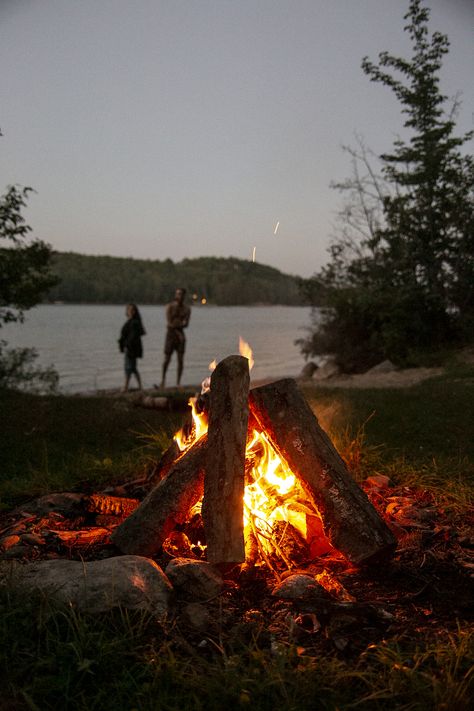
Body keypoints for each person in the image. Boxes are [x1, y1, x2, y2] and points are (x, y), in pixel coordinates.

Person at [161, 287, 191, 388]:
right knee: (167, 359)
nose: (179, 296)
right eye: (177, 294)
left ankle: (178, 382)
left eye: (181, 294)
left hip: (180, 335)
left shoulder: (187, 309)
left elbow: (186, 324)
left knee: (180, 360)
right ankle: (163, 381)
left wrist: (178, 326)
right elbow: (169, 323)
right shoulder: (170, 307)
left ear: (184, 296)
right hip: (171, 335)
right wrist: (178, 327)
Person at [118, 303, 146, 392]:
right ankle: (140, 386)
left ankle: (126, 386)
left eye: (133, 310)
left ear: (135, 311)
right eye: (129, 310)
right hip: (131, 348)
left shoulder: (134, 322)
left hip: (132, 348)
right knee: (132, 368)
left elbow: (132, 337)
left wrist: (126, 345)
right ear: (127, 311)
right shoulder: (132, 322)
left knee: (128, 367)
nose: (131, 311)